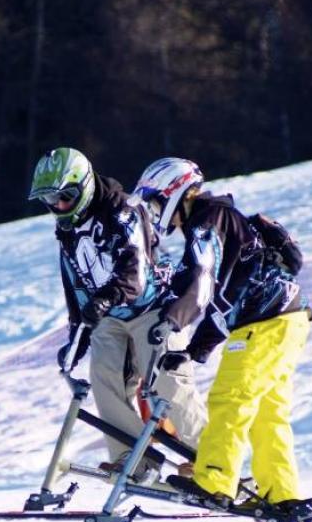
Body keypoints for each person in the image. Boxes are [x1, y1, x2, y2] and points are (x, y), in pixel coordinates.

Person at [130, 157, 312, 521]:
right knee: (267, 413)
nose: (155, 213)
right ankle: (281, 495)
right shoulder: (218, 220)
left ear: (174, 192)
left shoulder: (207, 223)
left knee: (229, 399)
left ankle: (214, 484)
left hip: (264, 323)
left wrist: (174, 325)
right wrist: (192, 349)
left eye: (155, 202)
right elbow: (223, 289)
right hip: (288, 320)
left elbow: (205, 285)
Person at [27, 147, 206, 480]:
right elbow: (75, 283)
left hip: (155, 307)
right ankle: (135, 460)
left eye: (66, 196)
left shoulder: (121, 211)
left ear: (85, 185)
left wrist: (103, 300)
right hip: (110, 314)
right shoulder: (67, 228)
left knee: (167, 380)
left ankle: (213, 461)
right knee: (104, 378)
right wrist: (76, 335)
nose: (59, 206)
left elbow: (134, 273)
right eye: (50, 200)